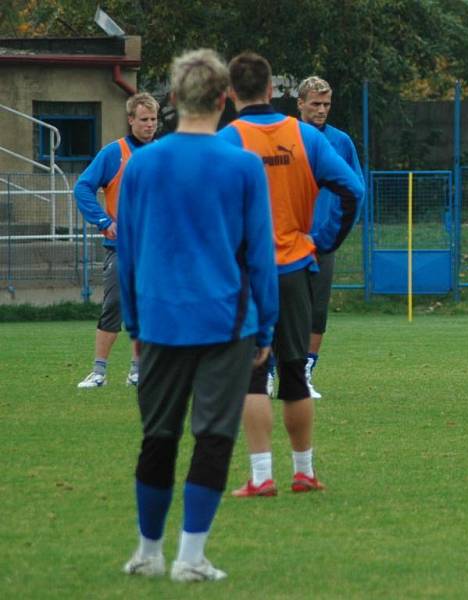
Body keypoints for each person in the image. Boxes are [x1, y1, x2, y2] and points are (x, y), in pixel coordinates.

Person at [116, 49, 279, 582]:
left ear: (170, 100)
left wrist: (135, 326)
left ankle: (147, 552)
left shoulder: (141, 164)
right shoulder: (243, 165)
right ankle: (190, 558)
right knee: (213, 437)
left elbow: (129, 255)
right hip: (226, 323)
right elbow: (261, 254)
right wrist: (266, 325)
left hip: (160, 322)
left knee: (157, 437)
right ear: (224, 98)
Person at [219, 52, 363, 497]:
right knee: (295, 370)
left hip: (246, 273)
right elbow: (352, 190)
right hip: (296, 267)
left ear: (229, 95)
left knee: (252, 375)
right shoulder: (306, 138)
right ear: (272, 92)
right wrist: (322, 240)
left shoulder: (225, 142)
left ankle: (261, 477)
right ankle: (304, 471)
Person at [74, 92, 158, 388]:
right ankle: (99, 372)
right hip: (122, 249)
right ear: (131, 119)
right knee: (114, 306)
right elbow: (83, 188)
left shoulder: (162, 154)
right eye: (144, 119)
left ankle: (137, 370)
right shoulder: (114, 153)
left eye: (153, 119)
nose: (150, 125)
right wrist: (104, 221)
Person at [295, 75, 364, 399]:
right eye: (315, 104)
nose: (321, 110)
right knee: (273, 308)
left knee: (316, 311)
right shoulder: (284, 138)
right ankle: (266, 371)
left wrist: (331, 237)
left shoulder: (341, 142)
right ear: (300, 104)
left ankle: (304, 373)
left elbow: (356, 190)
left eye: (326, 104)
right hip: (282, 241)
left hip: (321, 242)